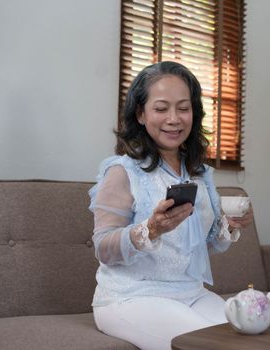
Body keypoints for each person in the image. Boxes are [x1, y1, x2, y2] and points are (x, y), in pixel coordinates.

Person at [88, 61, 253, 350]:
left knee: (249, 338)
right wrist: (149, 230)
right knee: (211, 345)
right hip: (132, 296)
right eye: (161, 108)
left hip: (191, 292)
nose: (174, 119)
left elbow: (196, 246)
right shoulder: (123, 171)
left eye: (183, 108)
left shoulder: (199, 174)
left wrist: (228, 226)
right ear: (140, 113)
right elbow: (103, 246)